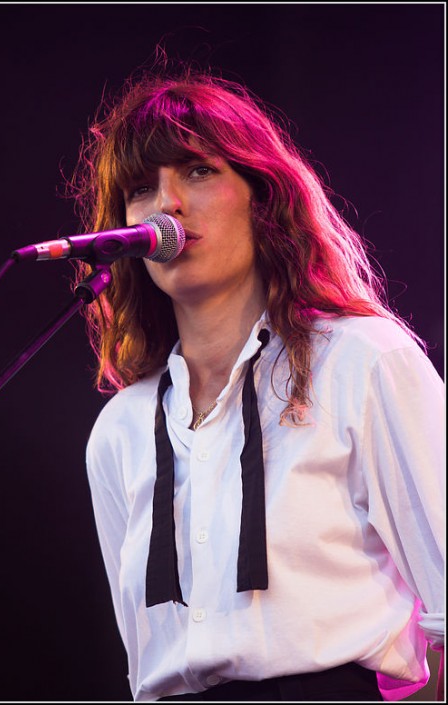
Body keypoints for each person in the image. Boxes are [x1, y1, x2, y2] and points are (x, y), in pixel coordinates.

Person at [69, 63, 444, 702]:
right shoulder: (122, 430)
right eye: (140, 188)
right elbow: (143, 669)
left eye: (198, 170)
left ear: (262, 194)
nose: (167, 206)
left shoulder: (362, 363)